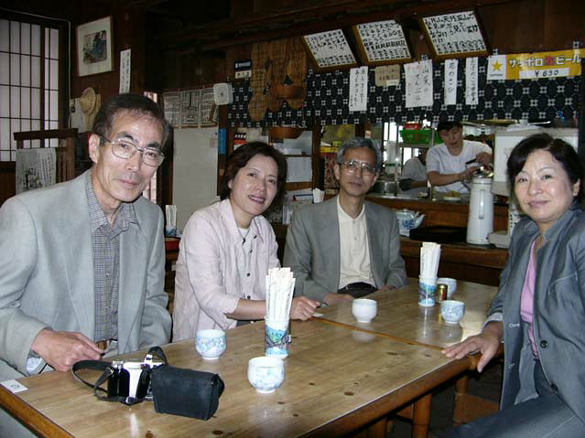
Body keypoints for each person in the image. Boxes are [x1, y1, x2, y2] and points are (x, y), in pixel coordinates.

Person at [0, 93, 172, 436]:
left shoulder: (151, 217)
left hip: (120, 383)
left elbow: (154, 303)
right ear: (95, 147)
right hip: (39, 385)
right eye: (124, 146)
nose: (136, 165)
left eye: (150, 153)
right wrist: (41, 339)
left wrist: (141, 366)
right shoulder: (29, 214)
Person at [442, 133, 585, 437]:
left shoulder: (580, 237)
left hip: (576, 392)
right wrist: (492, 332)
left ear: (575, 185)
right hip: (537, 380)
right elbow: (506, 297)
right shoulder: (526, 233)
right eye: (522, 179)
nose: (533, 189)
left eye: (546, 176)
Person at [172, 142, 319, 341]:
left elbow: (274, 286)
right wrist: (281, 307)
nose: (261, 187)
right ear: (231, 180)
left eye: (271, 180)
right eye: (252, 175)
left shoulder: (264, 228)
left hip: (253, 337)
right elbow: (211, 298)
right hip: (203, 345)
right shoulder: (204, 223)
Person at [283, 137, 407, 305]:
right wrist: (329, 297)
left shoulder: (386, 218)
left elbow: (397, 268)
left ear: (374, 178)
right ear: (337, 171)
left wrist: (389, 289)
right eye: (351, 165)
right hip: (329, 300)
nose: (358, 174)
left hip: (375, 299)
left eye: (367, 168)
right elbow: (294, 274)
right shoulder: (306, 218)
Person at [427, 121, 492, 193]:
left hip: (474, 195)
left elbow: (494, 166)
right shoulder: (434, 152)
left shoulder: (480, 147)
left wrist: (489, 158)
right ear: (440, 136)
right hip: (443, 196)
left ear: (461, 130)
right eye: (445, 134)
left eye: (455, 132)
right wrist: (460, 176)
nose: (451, 138)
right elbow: (433, 179)